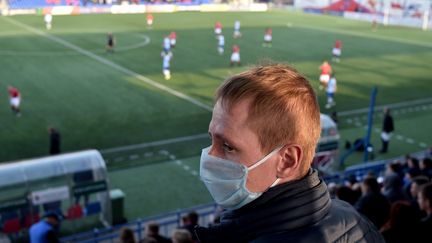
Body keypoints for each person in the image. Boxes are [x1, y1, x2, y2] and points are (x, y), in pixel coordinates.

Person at [194, 64, 384, 242]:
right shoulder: (355, 221)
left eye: (228, 146)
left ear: (287, 161)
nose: (210, 156)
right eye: (212, 139)